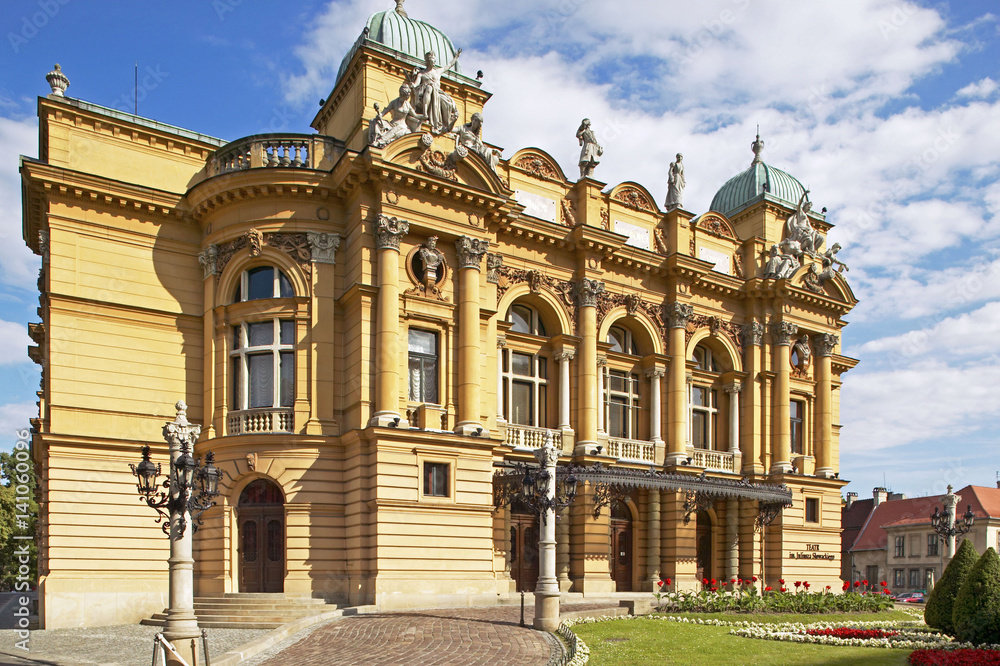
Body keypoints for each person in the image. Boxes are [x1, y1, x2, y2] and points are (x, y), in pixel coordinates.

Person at [409, 49, 462, 135]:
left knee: (447, 103)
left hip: (438, 93)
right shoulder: (422, 74)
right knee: (430, 88)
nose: (433, 61)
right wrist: (412, 85)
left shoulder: (438, 72)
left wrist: (456, 57)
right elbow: (416, 84)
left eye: (434, 60)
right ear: (427, 61)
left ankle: (446, 124)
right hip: (424, 92)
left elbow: (448, 65)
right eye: (431, 60)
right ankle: (425, 114)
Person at [785, 190, 825, 257]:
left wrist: (814, 232)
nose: (809, 209)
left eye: (810, 208)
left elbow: (810, 227)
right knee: (809, 239)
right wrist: (803, 195)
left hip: (807, 231)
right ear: (805, 206)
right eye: (808, 207)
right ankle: (807, 250)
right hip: (801, 232)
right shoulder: (800, 212)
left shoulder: (806, 217)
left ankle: (812, 250)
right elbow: (799, 204)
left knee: (821, 238)